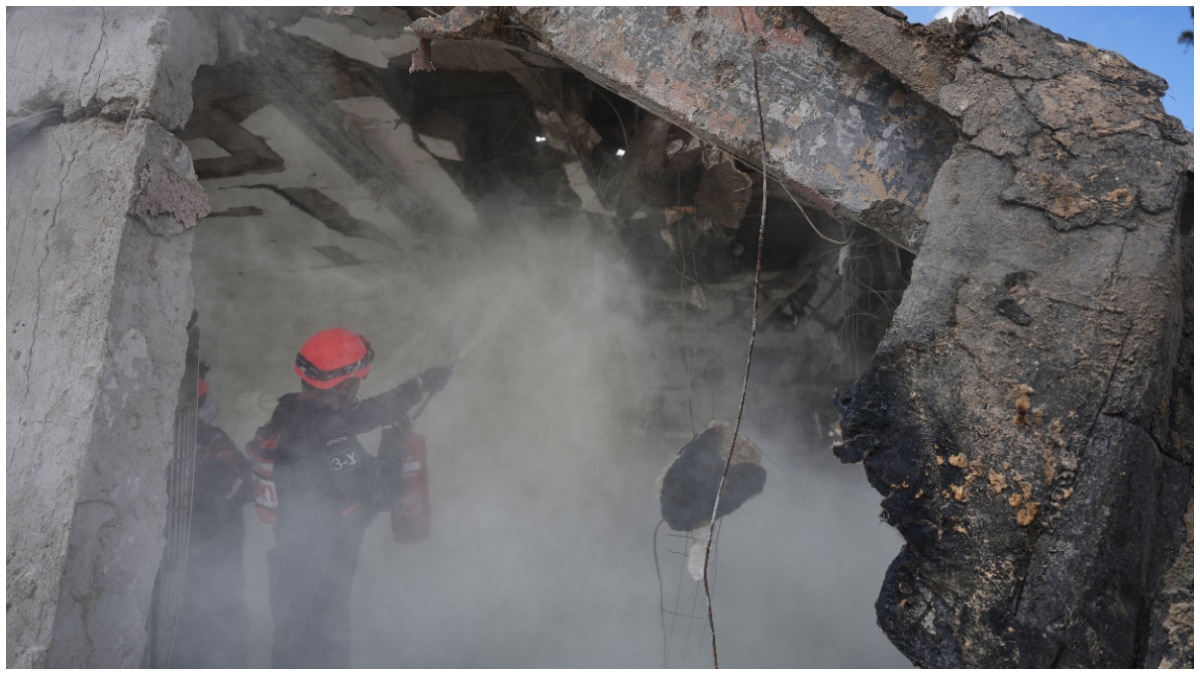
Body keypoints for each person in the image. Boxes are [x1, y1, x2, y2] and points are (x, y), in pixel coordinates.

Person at [248, 327, 451, 668]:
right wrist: (393, 441)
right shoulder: (328, 435)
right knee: (324, 653)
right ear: (344, 385)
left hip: (288, 563)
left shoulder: (292, 412)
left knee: (289, 650)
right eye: (358, 381)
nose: (359, 389)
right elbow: (379, 492)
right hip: (321, 571)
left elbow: (361, 415)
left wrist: (419, 386)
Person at [168, 362, 253, 667]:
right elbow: (243, 483)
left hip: (209, 562)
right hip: (197, 565)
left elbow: (243, 483)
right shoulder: (201, 439)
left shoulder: (207, 440)